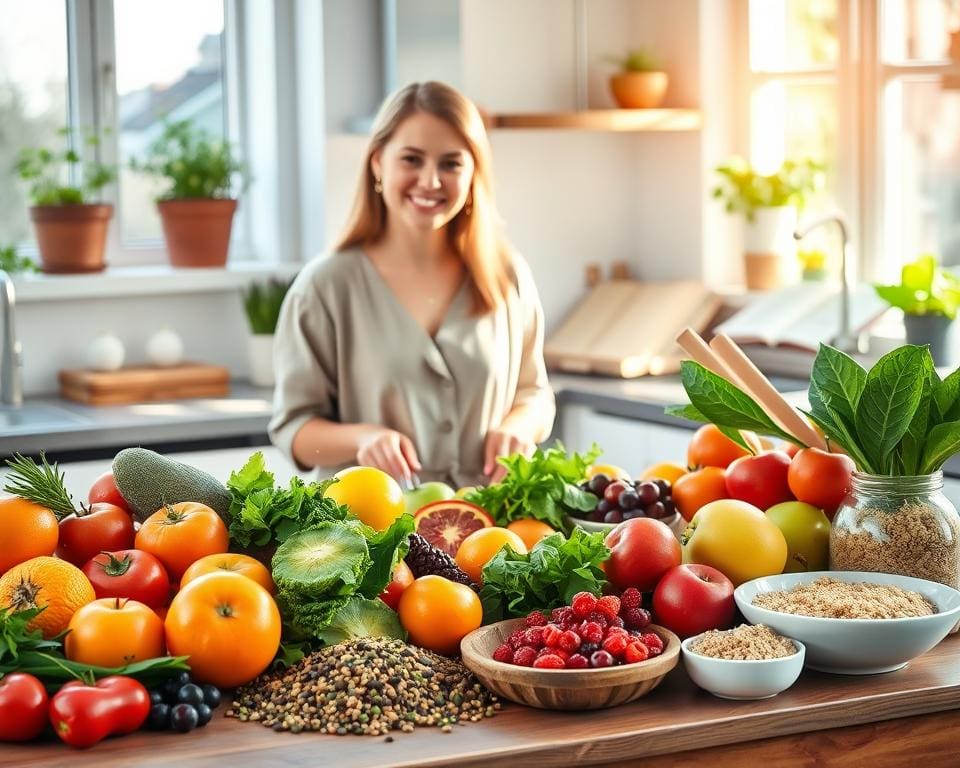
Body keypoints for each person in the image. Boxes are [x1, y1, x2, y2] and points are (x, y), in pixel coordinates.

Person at [269, 81, 555, 489]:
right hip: (368, 523)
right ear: (377, 164)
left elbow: (535, 395)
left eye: (451, 164)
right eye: (412, 159)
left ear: (474, 173)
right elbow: (293, 429)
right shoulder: (325, 287)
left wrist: (518, 429)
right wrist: (363, 438)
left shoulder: (506, 275)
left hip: (489, 521)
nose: (430, 181)